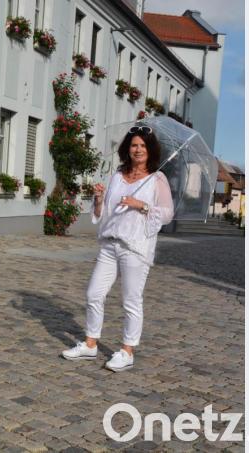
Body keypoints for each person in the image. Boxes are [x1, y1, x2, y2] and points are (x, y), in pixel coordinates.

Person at [61, 125, 174, 371]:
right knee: (94, 293)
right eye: (134, 145)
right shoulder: (117, 175)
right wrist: (99, 200)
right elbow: (106, 213)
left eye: (143, 145)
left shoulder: (157, 179)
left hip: (135, 247)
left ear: (150, 149)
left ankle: (127, 351)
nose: (138, 150)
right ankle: (90, 344)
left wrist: (141, 205)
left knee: (131, 300)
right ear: (127, 148)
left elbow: (167, 213)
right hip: (110, 244)